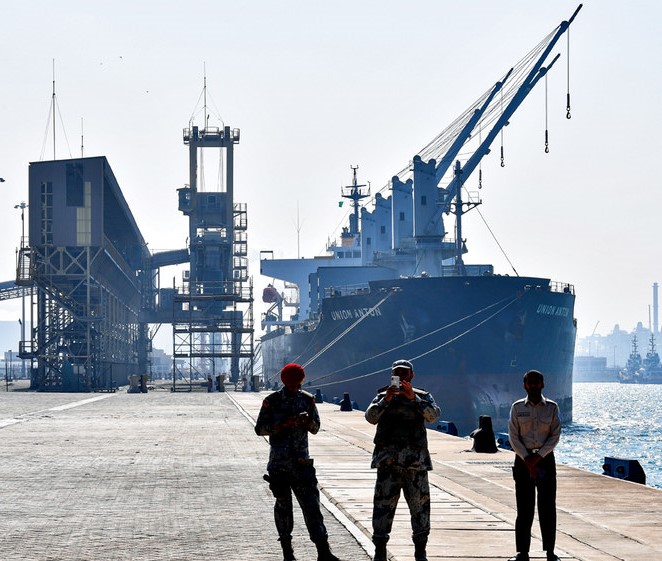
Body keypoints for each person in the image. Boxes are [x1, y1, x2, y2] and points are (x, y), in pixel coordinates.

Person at [255, 363, 341, 561]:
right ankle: (288, 553)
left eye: (297, 385)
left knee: (312, 507)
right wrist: (282, 425)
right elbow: (260, 429)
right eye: (292, 385)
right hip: (280, 465)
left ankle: (323, 551)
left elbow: (316, 427)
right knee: (283, 509)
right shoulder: (272, 401)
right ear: (285, 383)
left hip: (302, 464)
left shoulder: (307, 400)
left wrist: (306, 422)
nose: (295, 388)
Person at [365, 359, 441, 561]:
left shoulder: (423, 397)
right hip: (388, 463)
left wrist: (414, 398)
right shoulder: (383, 396)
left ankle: (420, 551)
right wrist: (386, 400)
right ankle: (380, 550)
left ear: (411, 376)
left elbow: (433, 416)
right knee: (382, 508)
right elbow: (370, 417)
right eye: (397, 373)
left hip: (415, 465)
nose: (401, 377)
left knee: (420, 508)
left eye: (405, 374)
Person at [507, 370, 562, 561]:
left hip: (545, 460)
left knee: (547, 507)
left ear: (543, 384)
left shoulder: (552, 408)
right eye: (530, 383)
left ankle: (550, 552)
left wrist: (537, 458)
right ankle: (522, 552)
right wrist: (527, 458)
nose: (533, 386)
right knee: (524, 507)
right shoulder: (516, 408)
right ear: (524, 385)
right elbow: (513, 436)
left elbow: (555, 436)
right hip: (523, 461)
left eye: (537, 383)